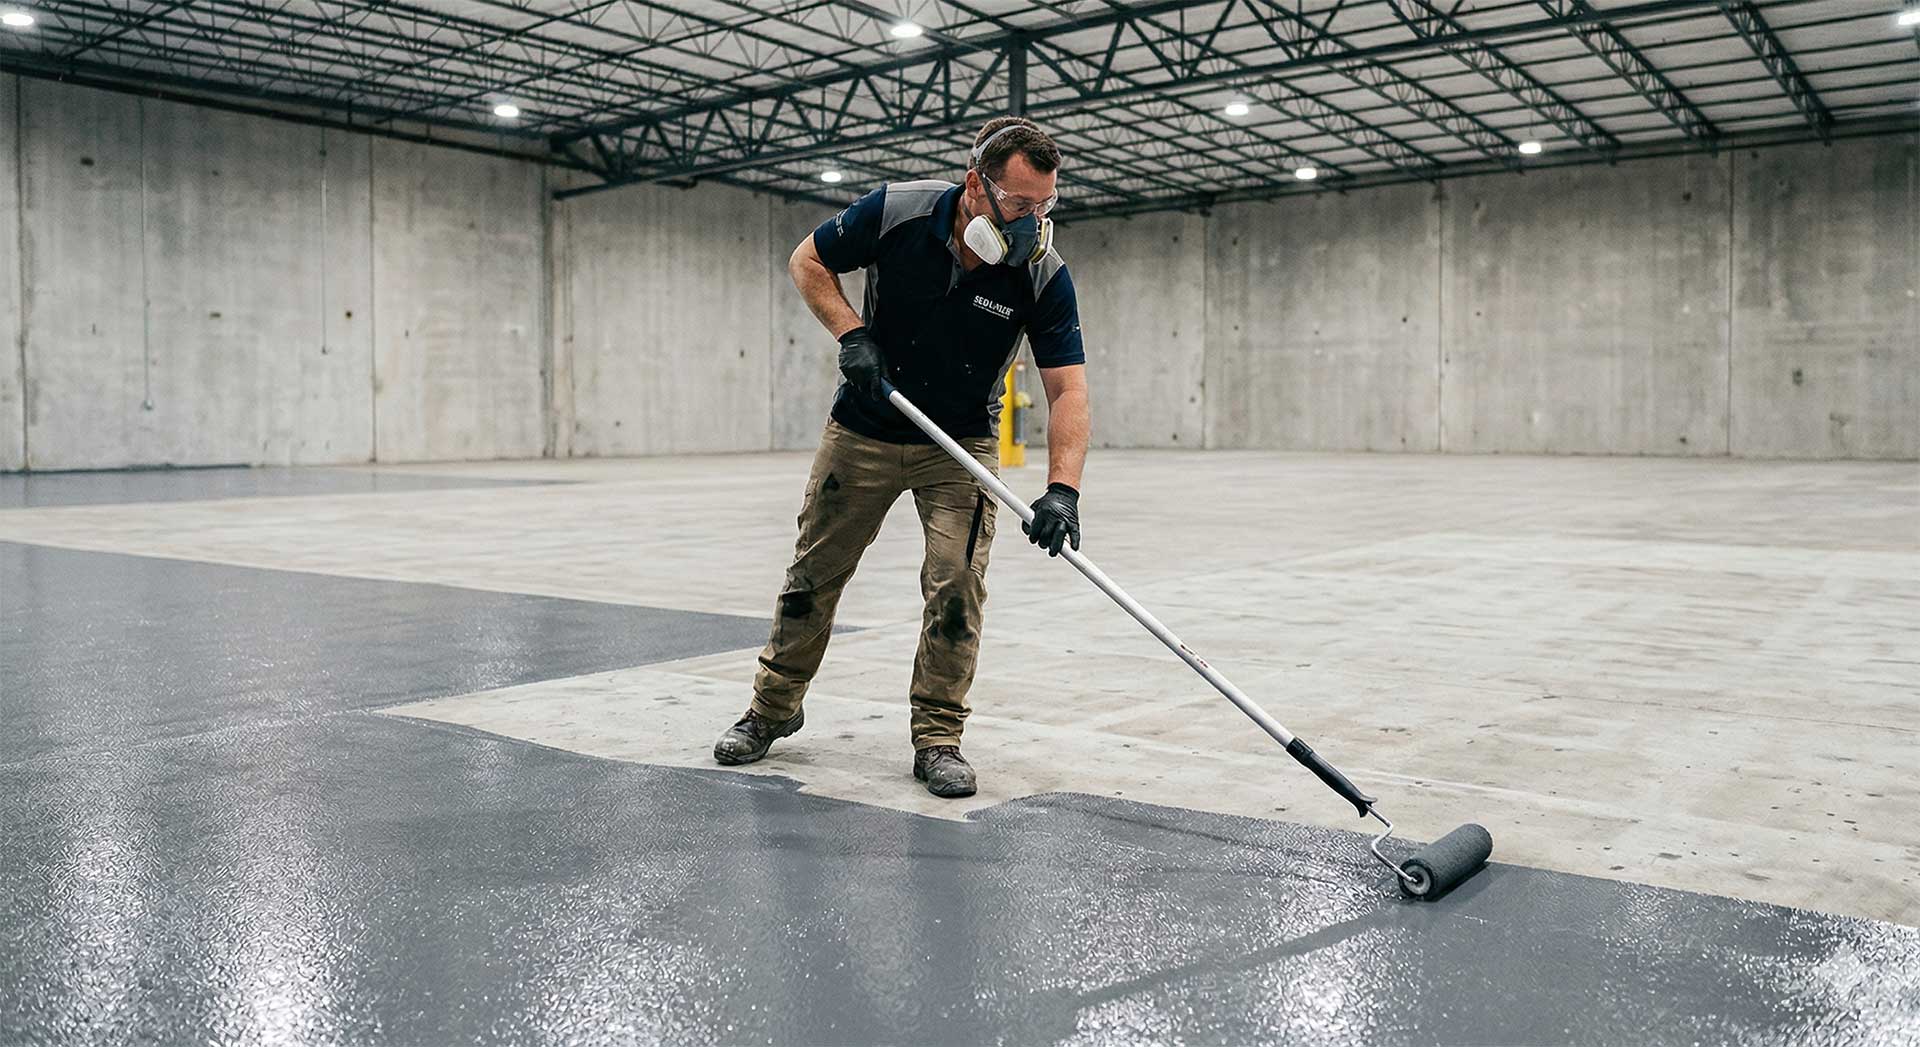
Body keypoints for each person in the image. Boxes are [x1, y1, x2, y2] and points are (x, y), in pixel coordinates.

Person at [711, 116, 1090, 798]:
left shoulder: (1041, 273)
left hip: (960, 446)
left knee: (956, 588)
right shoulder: (896, 212)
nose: (1035, 222)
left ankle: (938, 737)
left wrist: (1062, 490)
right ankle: (772, 708)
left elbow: (1067, 389)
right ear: (977, 186)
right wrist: (851, 331)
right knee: (812, 577)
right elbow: (809, 259)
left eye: (1047, 206)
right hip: (863, 429)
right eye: (1020, 205)